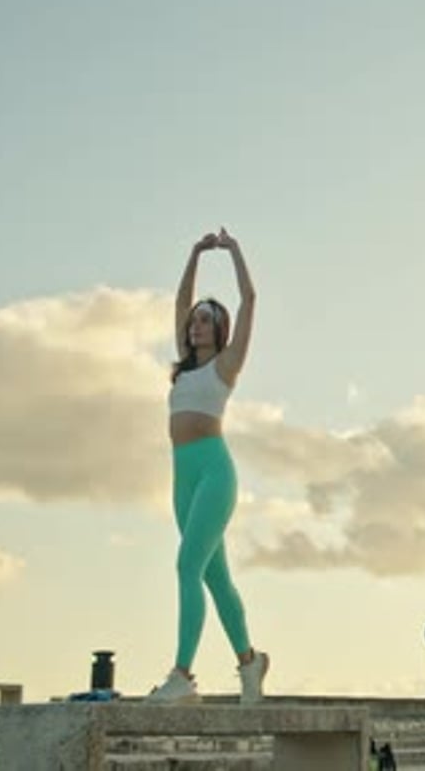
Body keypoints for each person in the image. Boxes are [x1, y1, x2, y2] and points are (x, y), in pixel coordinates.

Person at [146, 227, 269, 705]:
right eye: (193, 320)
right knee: (215, 579)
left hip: (216, 474)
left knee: (185, 566)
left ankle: (182, 676)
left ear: (220, 331)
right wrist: (195, 253)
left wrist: (234, 250)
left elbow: (250, 299)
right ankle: (250, 662)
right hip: (184, 477)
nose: (195, 325)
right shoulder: (184, 367)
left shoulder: (226, 366)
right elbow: (180, 298)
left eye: (204, 320)